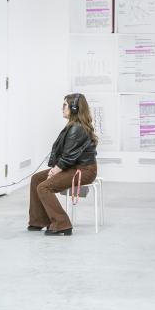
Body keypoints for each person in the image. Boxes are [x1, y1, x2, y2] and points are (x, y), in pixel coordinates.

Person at [28, 93, 98, 236]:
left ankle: (62, 224)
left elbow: (68, 157)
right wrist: (56, 169)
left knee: (44, 187)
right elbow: (69, 156)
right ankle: (39, 221)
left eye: (65, 105)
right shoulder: (73, 126)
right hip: (73, 167)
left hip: (84, 170)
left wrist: (55, 170)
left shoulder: (77, 128)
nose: (62, 108)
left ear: (74, 108)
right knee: (36, 179)